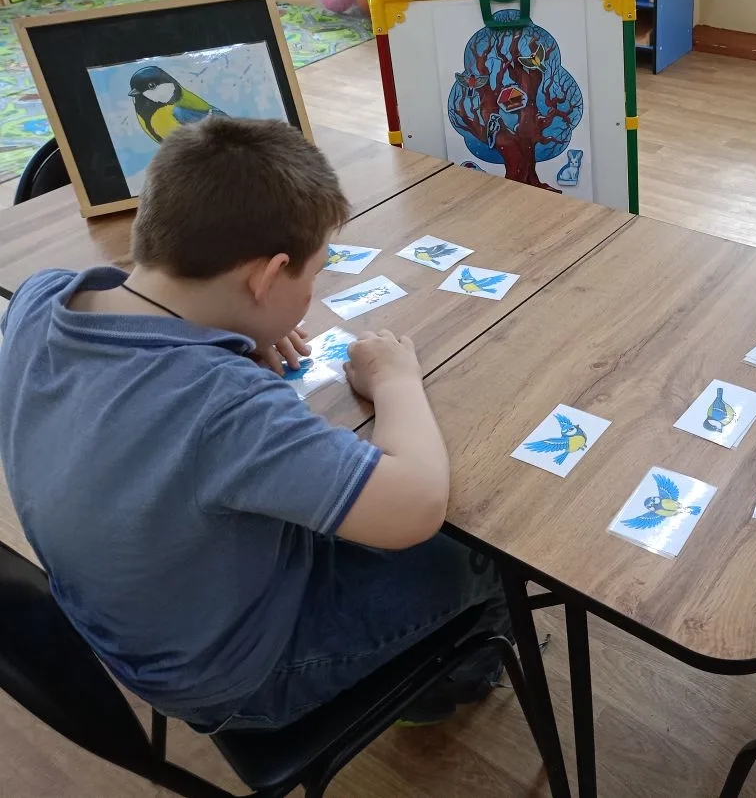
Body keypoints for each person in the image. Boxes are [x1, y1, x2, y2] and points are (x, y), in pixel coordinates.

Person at [0, 118, 507, 732]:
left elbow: (144, 390)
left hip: (122, 623)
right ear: (265, 278)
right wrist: (395, 379)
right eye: (312, 275)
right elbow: (416, 507)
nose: (313, 288)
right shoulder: (223, 405)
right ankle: (441, 681)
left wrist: (229, 328)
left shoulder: (40, 298)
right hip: (238, 677)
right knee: (487, 544)